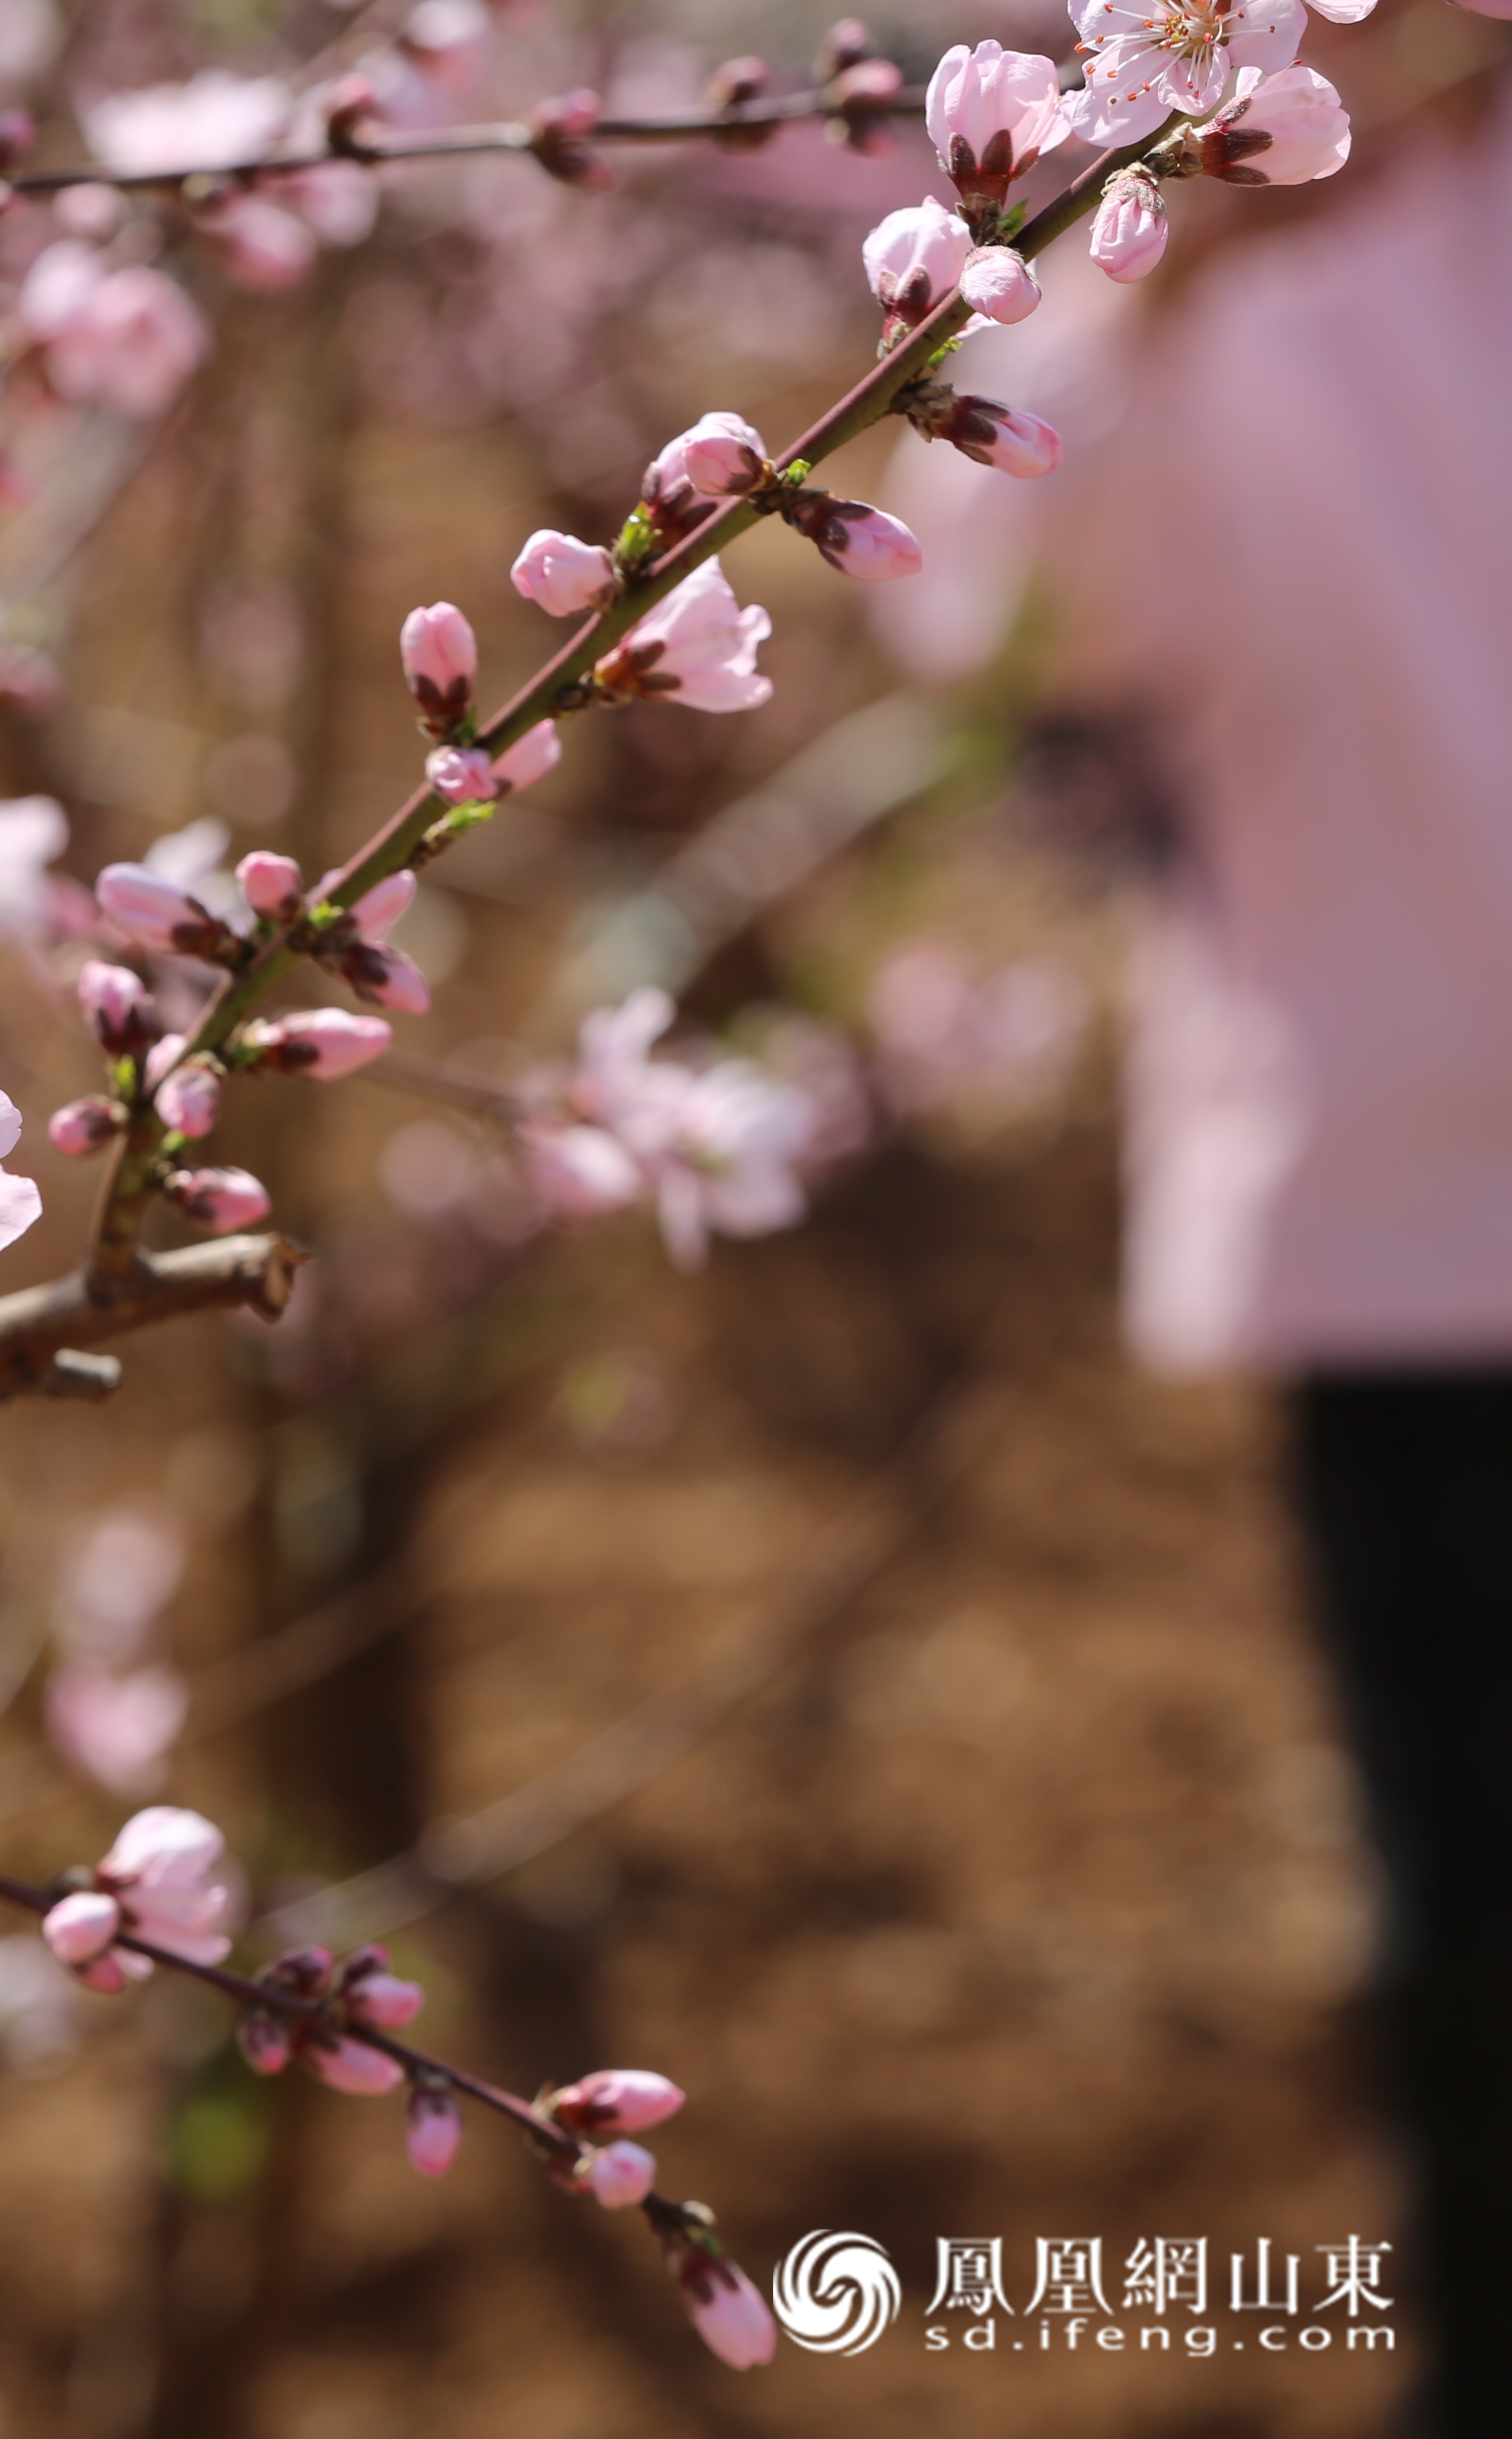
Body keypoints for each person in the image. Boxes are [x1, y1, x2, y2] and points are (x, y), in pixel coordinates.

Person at [1027, 40, 1512, 2435]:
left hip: (1399, 1190)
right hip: (1409, 1219)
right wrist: (1141, 294)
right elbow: (1023, 628)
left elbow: (1052, 661)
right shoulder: (1232, 282)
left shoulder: (1276, 291)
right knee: (1469, 1897)